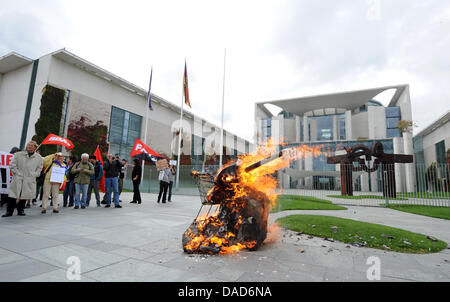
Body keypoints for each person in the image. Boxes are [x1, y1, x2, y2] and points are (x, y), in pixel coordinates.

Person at [2, 141, 43, 217]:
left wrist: (34, 174)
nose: (29, 147)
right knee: (13, 195)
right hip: (18, 178)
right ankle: (9, 211)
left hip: (29, 179)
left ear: (35, 147)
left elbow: (39, 168)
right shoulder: (18, 154)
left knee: (24, 195)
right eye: (28, 145)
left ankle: (20, 210)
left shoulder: (39, 158)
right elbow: (12, 165)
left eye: (31, 146)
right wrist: (17, 173)